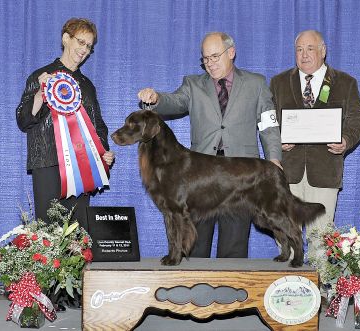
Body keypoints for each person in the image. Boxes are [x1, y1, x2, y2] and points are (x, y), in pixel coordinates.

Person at [138, 32, 282, 259]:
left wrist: (274, 158)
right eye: (206, 59)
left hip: (240, 179)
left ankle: (232, 292)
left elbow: (268, 124)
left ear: (231, 53)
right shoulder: (193, 84)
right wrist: (157, 99)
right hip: (200, 179)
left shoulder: (256, 83)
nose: (210, 63)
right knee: (196, 247)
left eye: (215, 56)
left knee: (234, 248)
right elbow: (174, 102)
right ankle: (194, 293)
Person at [269, 30, 360, 257]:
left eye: (310, 48)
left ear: (323, 51)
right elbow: (267, 119)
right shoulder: (279, 82)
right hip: (286, 173)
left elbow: (358, 118)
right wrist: (277, 142)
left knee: (321, 242)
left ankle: (319, 290)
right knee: (284, 237)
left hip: (324, 173)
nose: (304, 55)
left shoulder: (345, 82)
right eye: (299, 49)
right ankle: (286, 288)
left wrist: (346, 139)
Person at [16, 18, 115, 230]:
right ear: (66, 39)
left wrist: (103, 151)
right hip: (46, 163)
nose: (84, 50)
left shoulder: (87, 86)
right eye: (81, 42)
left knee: (77, 237)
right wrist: (40, 95)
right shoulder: (40, 76)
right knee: (47, 234)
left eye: (89, 46)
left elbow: (98, 125)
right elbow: (23, 120)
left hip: (82, 167)